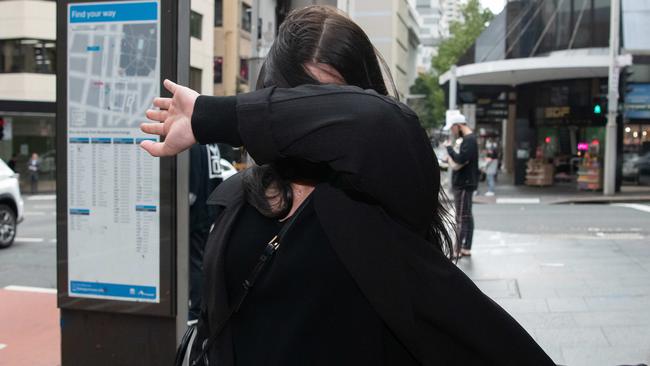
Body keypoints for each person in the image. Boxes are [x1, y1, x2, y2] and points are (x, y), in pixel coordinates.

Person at [141, 6, 554, 366]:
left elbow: (375, 124)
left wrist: (211, 114)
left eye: (325, 102)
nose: (314, 123)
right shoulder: (245, 194)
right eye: (298, 100)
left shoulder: (385, 189)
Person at [188, 143, 223, 322]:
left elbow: (190, 192)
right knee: (201, 259)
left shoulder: (194, 145)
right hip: (209, 208)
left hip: (196, 212)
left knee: (194, 262)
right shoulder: (211, 144)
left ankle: (195, 309)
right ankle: (202, 304)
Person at [444, 113, 479, 258]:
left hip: (464, 183)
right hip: (467, 182)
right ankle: (466, 247)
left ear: (458, 126)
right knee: (467, 216)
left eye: (452, 128)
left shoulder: (469, 140)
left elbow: (461, 159)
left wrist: (449, 149)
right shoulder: (469, 139)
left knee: (462, 217)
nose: (452, 131)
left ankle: (457, 249)